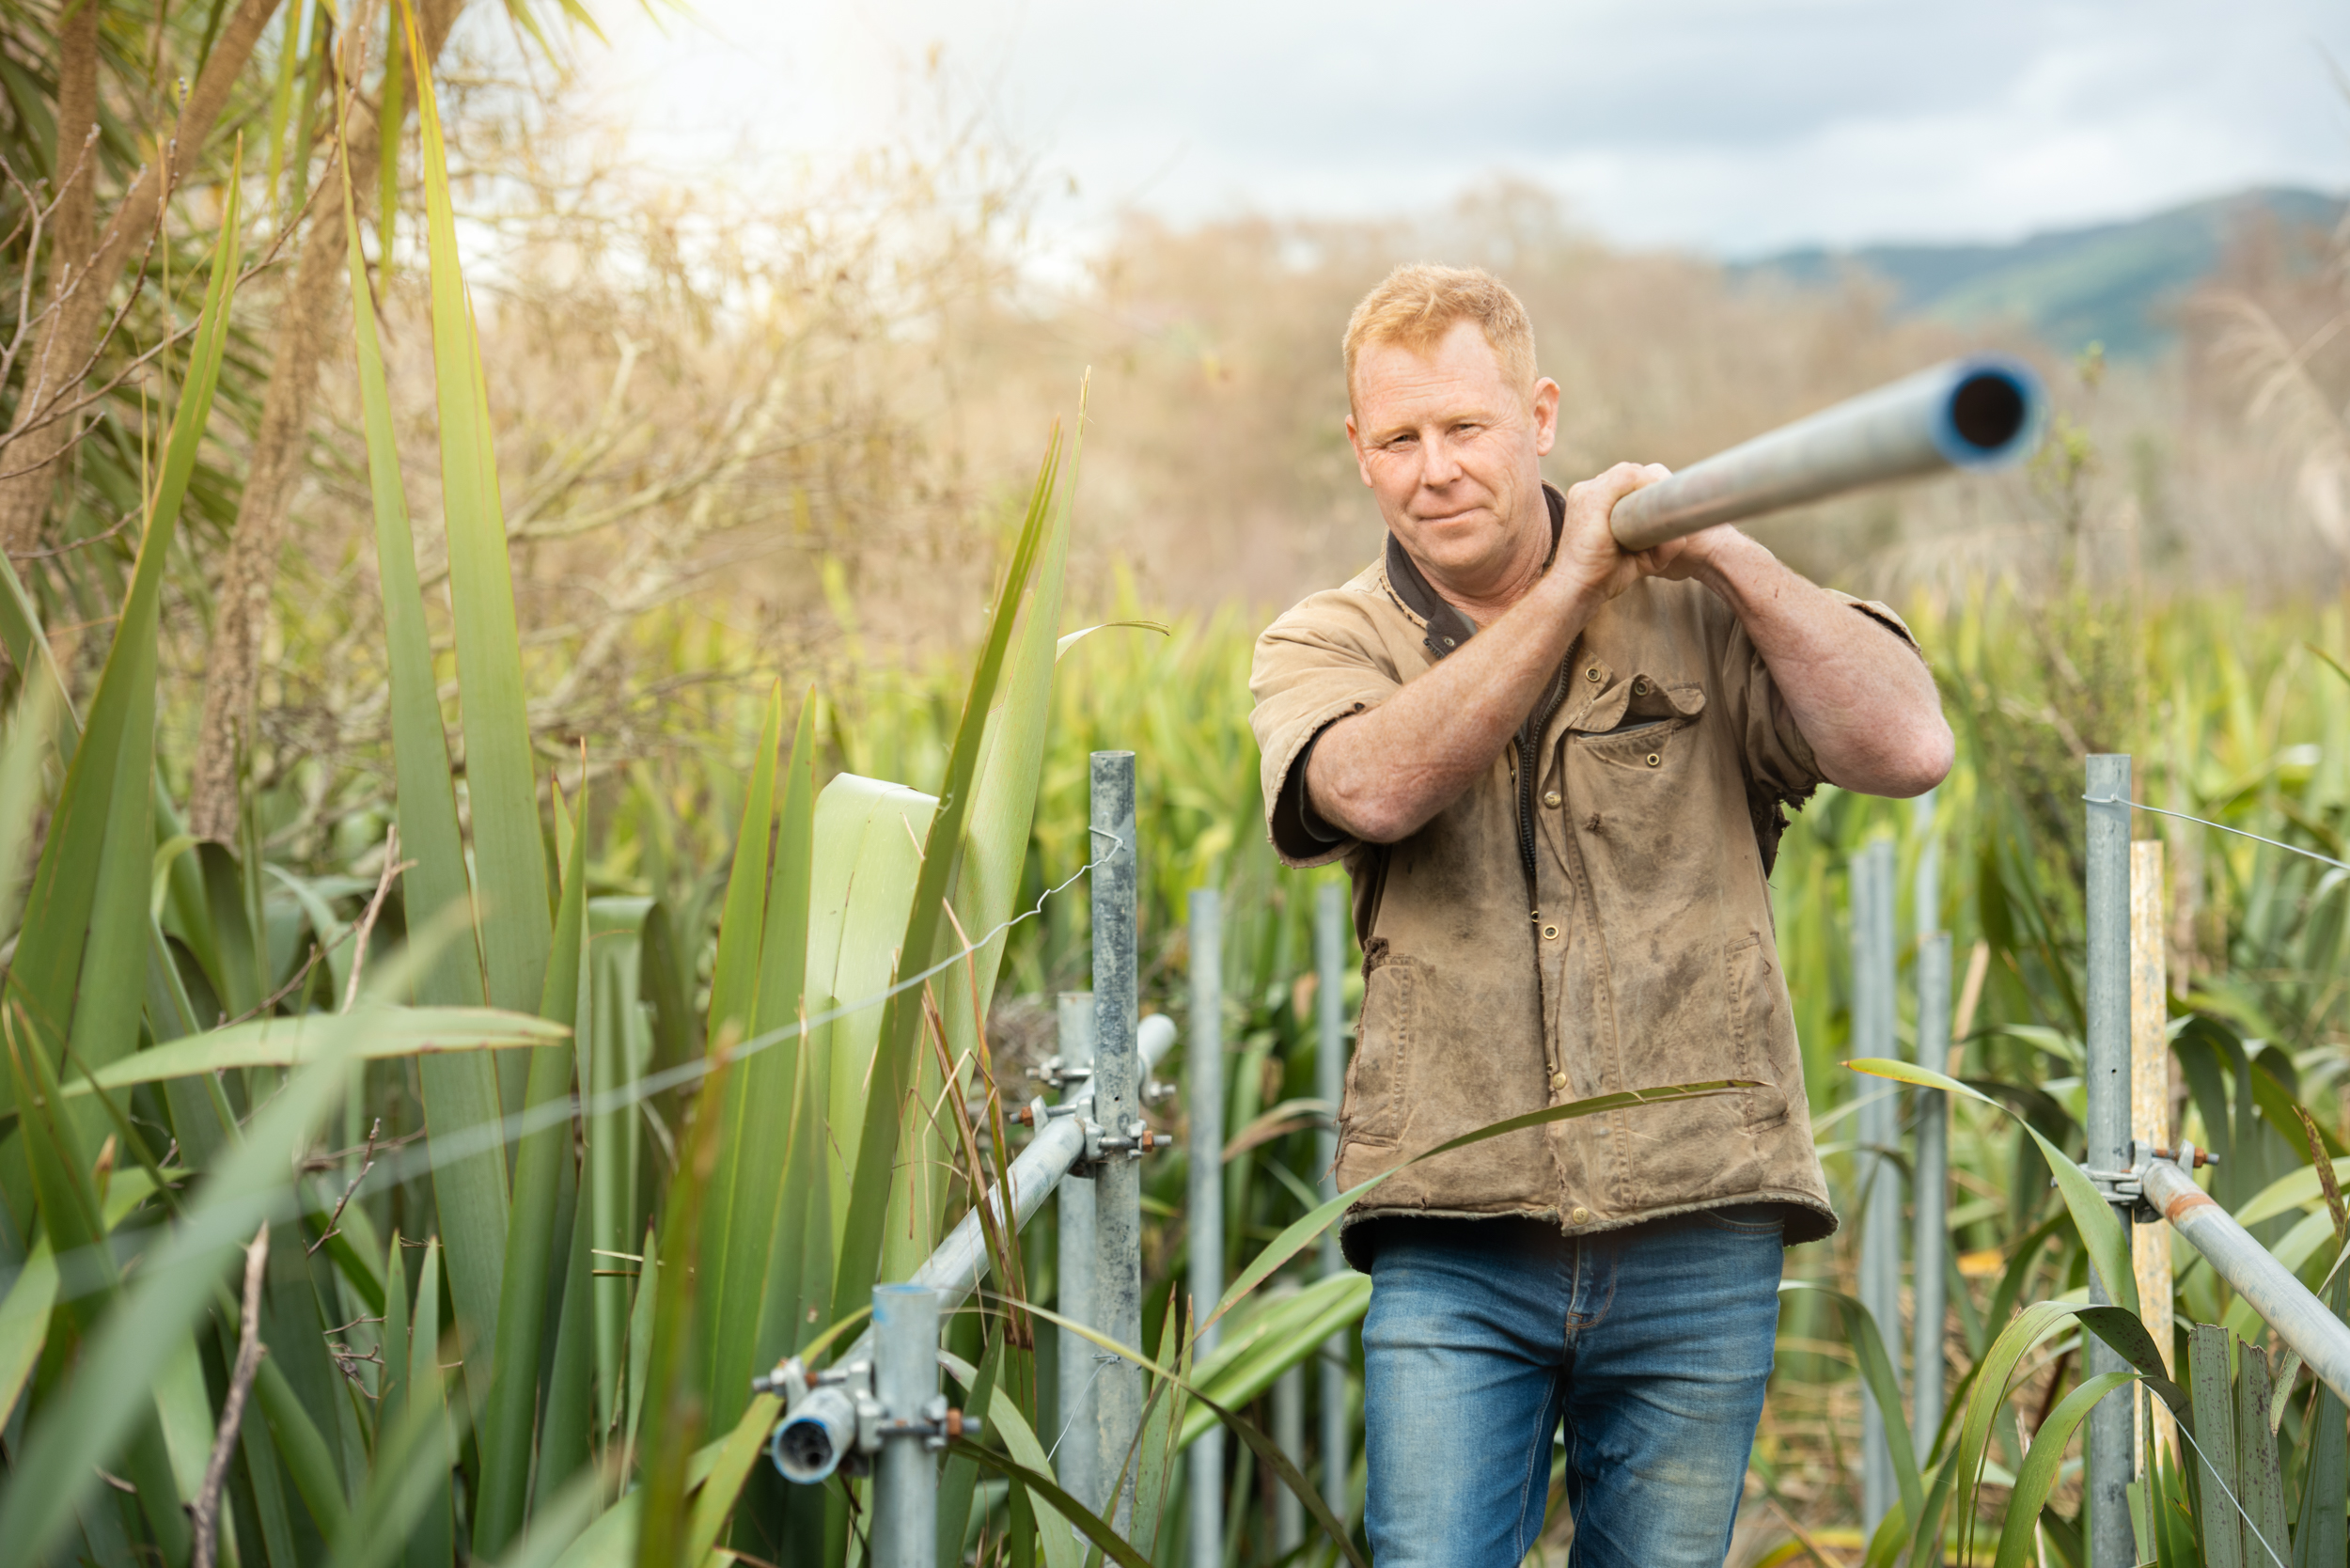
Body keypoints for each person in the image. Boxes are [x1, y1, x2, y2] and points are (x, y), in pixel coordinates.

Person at [1247, 265, 1952, 1567]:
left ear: (1542, 417)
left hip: (1699, 1223)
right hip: (1456, 1232)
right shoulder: (1328, 640)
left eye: (1467, 427)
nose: (1435, 469)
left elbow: (1909, 743)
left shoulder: (1701, 605)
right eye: (1400, 439)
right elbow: (1373, 788)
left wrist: (1733, 550)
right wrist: (1568, 586)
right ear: (1359, 453)